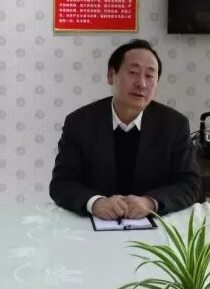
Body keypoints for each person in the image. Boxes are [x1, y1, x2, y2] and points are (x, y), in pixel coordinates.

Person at [50, 39, 200, 220]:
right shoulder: (79, 123)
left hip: (154, 227)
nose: (141, 83)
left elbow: (189, 184)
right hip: (92, 226)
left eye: (150, 76)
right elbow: (62, 183)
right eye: (133, 72)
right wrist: (95, 203)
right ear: (111, 75)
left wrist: (150, 202)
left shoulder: (174, 124)